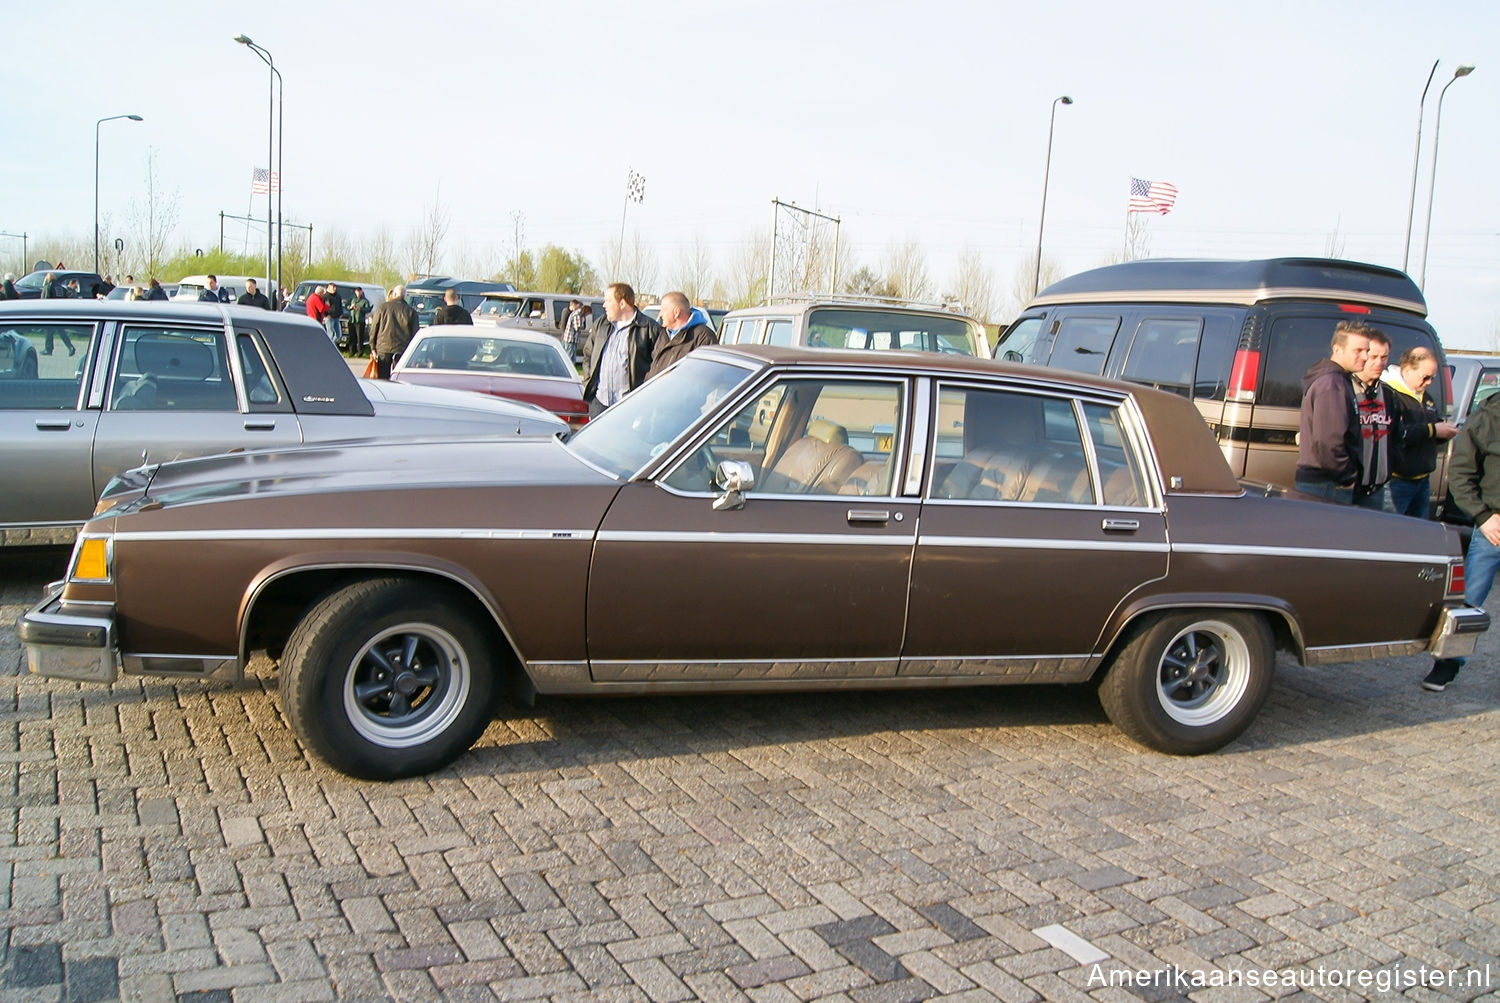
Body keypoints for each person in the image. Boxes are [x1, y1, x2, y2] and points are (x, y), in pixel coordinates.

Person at [1423, 391, 1500, 691]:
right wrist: (1483, 517)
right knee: (1467, 604)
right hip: (1493, 527)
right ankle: (1446, 665)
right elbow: (1460, 474)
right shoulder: (1487, 418)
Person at [1293, 321, 1372, 504]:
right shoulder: (1332, 384)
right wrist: (1346, 477)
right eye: (1358, 350)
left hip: (1324, 482)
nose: (1365, 356)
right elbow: (1329, 442)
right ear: (1337, 349)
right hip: (1327, 485)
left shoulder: (1338, 381)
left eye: (1367, 350)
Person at [1384, 346, 1458, 519]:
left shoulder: (1426, 398)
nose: (1429, 382)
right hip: (1397, 480)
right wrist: (1432, 430)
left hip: (1423, 480)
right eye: (1425, 377)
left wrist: (1444, 432)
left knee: (1419, 534)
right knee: (1391, 533)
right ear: (1408, 369)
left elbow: (1430, 430)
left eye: (1433, 377)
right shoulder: (1390, 395)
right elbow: (1397, 434)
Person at [581, 283, 663, 416]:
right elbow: (588, 356)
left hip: (632, 407)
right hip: (599, 403)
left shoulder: (649, 329)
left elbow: (658, 367)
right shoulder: (601, 325)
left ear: (622, 303)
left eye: (608, 301)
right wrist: (588, 382)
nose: (604, 305)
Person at [1349, 329, 1396, 512]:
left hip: (1376, 488)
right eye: (1374, 356)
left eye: (1384, 357)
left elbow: (1396, 436)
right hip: (1348, 487)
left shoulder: (1389, 395)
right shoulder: (1346, 389)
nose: (1379, 363)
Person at [647, 292, 719, 378]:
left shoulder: (704, 337)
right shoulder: (663, 334)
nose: (660, 314)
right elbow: (653, 366)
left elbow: (708, 376)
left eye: (663, 310)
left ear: (676, 312)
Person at [369, 284, 419, 379]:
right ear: (405, 296)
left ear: (393, 294)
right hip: (402, 349)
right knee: (398, 379)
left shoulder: (382, 308)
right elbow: (415, 333)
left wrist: (372, 346)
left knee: (382, 379)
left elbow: (374, 327)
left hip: (383, 347)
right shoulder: (411, 312)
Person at [346, 287, 373, 353]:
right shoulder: (351, 299)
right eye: (357, 291)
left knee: (359, 337)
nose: (358, 293)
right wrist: (350, 307)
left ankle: (360, 352)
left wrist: (360, 308)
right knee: (352, 337)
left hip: (360, 321)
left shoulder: (365, 300)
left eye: (359, 291)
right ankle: (351, 351)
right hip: (352, 320)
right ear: (355, 292)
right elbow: (346, 305)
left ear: (361, 292)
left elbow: (368, 309)